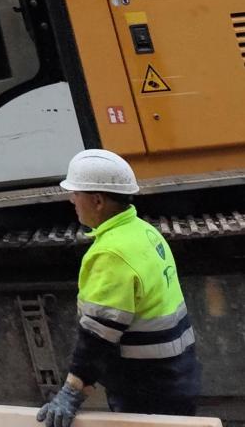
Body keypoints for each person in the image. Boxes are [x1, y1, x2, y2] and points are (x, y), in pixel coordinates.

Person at [36, 149, 200, 427]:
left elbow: (97, 338)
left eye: (76, 193)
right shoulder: (143, 232)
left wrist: (71, 394)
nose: (71, 199)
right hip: (177, 374)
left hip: (145, 386)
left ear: (97, 200)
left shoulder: (112, 254)